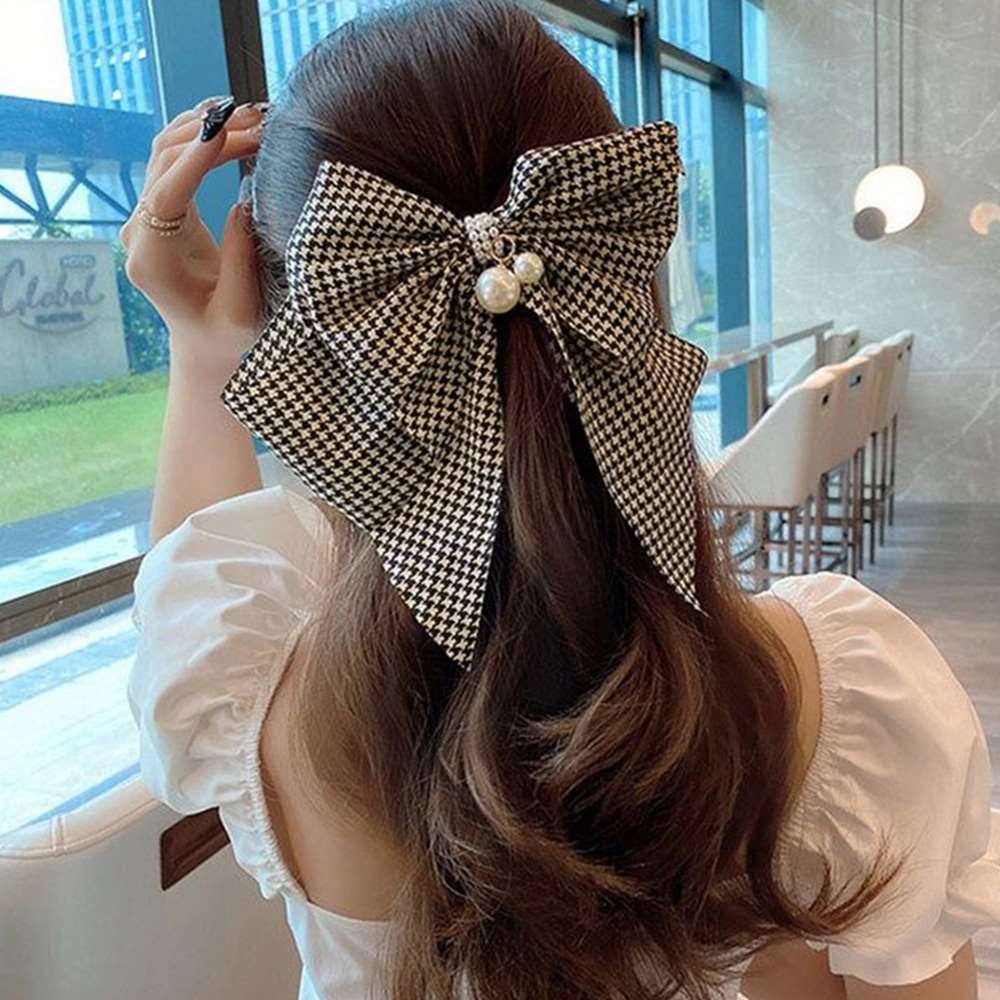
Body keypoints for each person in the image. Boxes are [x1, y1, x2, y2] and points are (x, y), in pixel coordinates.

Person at [121, 2, 1000, 998]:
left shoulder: (260, 693)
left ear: (312, 348)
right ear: (634, 282)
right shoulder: (833, 702)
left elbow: (187, 579)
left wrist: (202, 351)